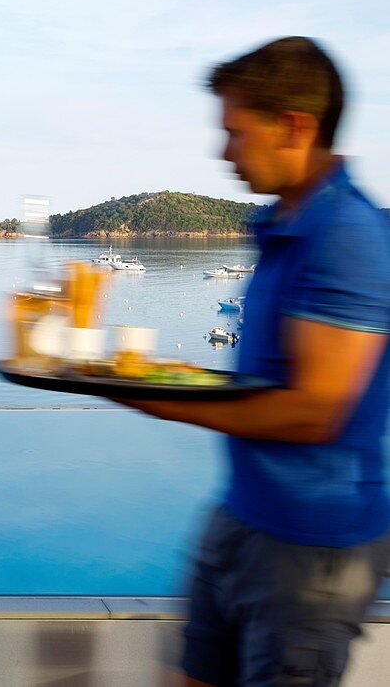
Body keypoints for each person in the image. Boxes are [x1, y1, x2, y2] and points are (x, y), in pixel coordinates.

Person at [114, 37, 390, 686]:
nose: (224, 152)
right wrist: (163, 373)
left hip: (313, 547)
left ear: (295, 127)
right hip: (242, 513)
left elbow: (313, 413)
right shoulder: (285, 225)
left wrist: (153, 398)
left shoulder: (346, 236)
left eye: (236, 133)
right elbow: (267, 377)